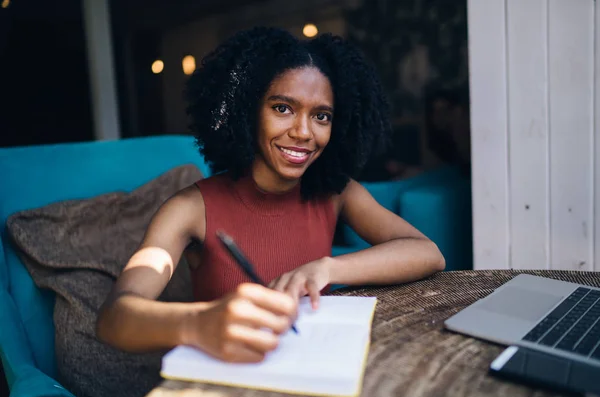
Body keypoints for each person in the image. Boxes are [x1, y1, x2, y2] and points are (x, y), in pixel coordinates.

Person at [96, 27, 445, 364]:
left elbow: (427, 253)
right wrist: (199, 322)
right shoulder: (189, 209)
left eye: (321, 116)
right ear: (246, 111)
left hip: (312, 365)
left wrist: (328, 268)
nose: (303, 132)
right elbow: (114, 318)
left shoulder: (337, 193)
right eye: (282, 108)